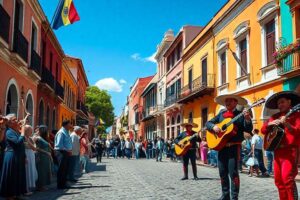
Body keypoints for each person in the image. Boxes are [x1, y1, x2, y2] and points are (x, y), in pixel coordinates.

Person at [206, 94, 253, 200]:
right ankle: (225, 195)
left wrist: (247, 119)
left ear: (236, 103)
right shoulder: (221, 114)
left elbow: (248, 129)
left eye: (230, 101)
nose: (227, 103)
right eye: (226, 101)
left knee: (233, 173)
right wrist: (214, 126)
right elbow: (208, 123)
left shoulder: (240, 115)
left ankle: (234, 197)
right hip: (221, 147)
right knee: (222, 172)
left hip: (234, 148)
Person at [261, 91, 300, 200]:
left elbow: (298, 131)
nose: (280, 105)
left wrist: (287, 124)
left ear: (289, 102)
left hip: (290, 151)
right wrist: (269, 124)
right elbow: (263, 130)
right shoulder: (275, 116)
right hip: (277, 152)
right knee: (278, 181)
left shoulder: (297, 115)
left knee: (287, 179)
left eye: (282, 102)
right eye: (278, 103)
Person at [0, 114, 27, 199]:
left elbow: (22, 144)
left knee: (17, 176)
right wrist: (22, 132)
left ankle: (16, 194)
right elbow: (18, 142)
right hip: (12, 156)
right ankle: (10, 195)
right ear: (10, 123)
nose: (17, 120)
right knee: (12, 176)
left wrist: (24, 156)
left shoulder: (15, 131)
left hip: (18, 156)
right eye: (14, 119)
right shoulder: (8, 132)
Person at [54, 120, 73, 189]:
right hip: (61, 152)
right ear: (66, 125)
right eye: (70, 124)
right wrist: (67, 150)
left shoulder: (66, 132)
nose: (71, 125)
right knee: (61, 169)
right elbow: (59, 145)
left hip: (66, 152)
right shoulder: (61, 133)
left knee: (65, 169)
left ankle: (63, 183)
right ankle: (60, 184)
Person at [35, 125, 52, 191]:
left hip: (45, 157)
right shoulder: (38, 138)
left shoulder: (43, 138)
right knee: (41, 171)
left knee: (45, 171)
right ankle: (39, 186)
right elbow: (37, 148)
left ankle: (43, 185)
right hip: (41, 156)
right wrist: (47, 152)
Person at [24, 125, 38, 195]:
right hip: (26, 155)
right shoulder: (23, 138)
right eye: (30, 130)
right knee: (27, 172)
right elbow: (33, 148)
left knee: (31, 170)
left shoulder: (30, 138)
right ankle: (26, 189)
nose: (31, 132)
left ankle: (29, 187)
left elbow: (35, 148)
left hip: (31, 155)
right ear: (26, 131)